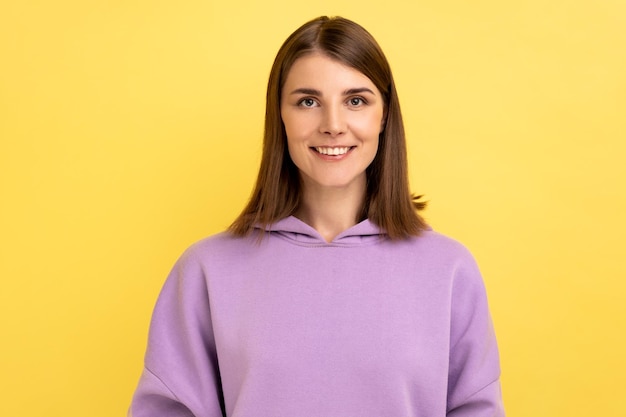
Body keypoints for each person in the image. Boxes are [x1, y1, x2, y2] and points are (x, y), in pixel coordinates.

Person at [129, 16, 505, 417]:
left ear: (384, 116)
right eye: (308, 101)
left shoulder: (449, 270)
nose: (333, 125)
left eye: (356, 100)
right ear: (281, 117)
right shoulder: (206, 269)